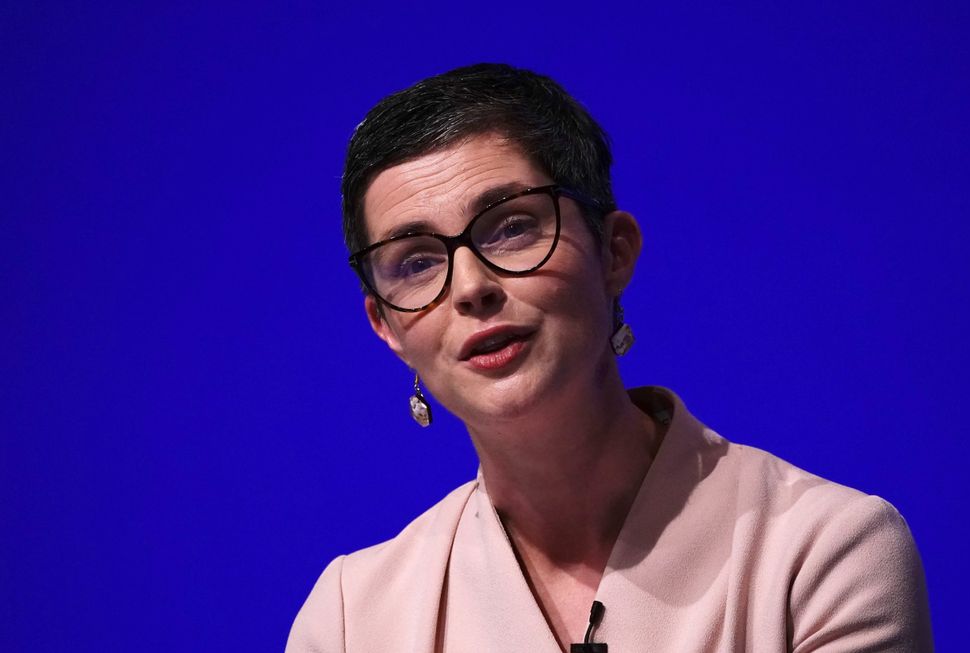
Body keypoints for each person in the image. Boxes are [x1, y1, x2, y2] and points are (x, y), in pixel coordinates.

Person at [286, 64, 933, 652]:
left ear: (614, 251)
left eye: (511, 226)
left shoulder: (823, 551)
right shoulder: (352, 617)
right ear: (385, 325)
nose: (470, 286)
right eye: (417, 262)